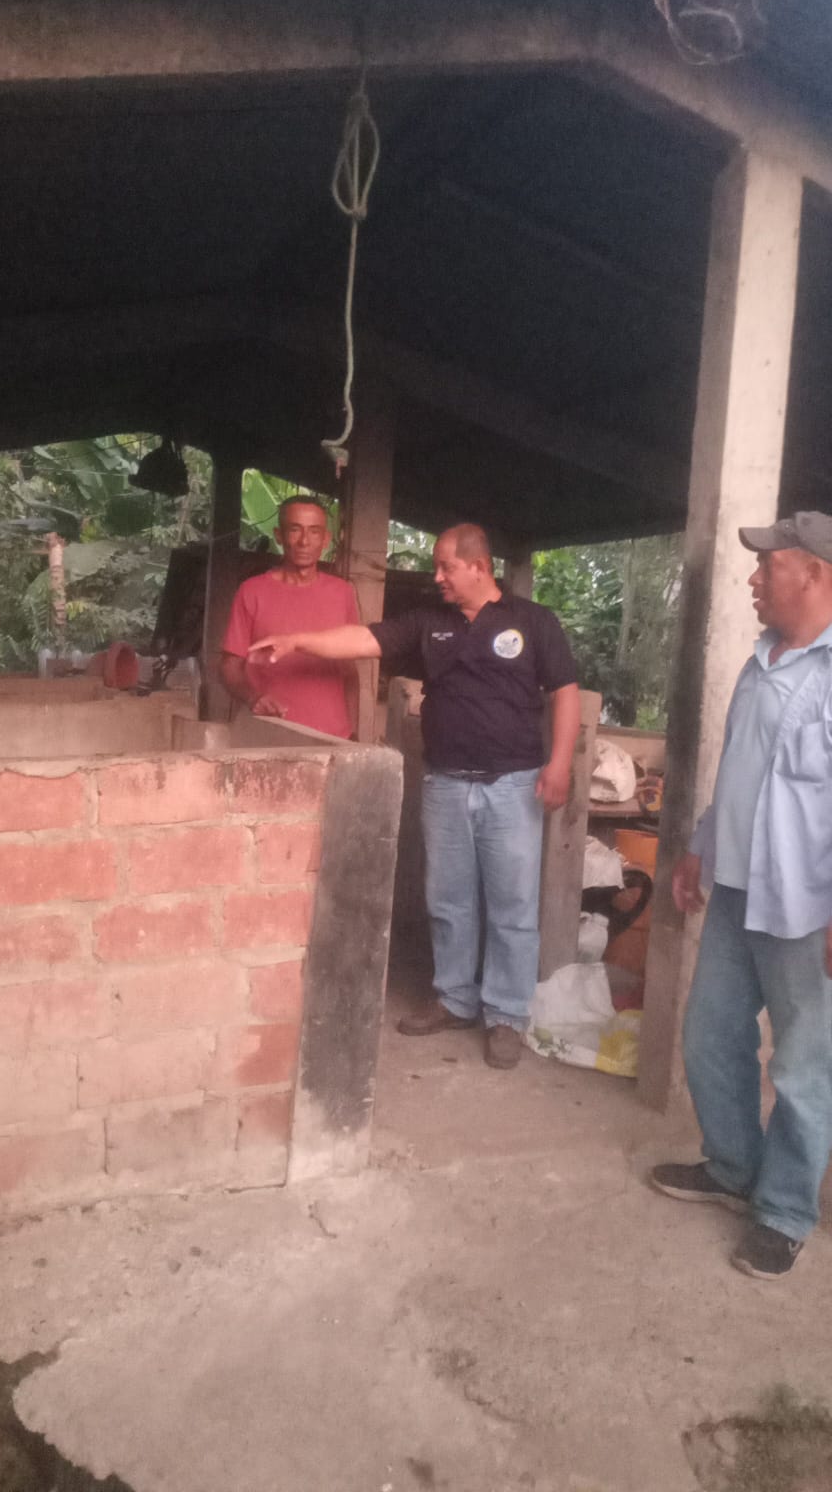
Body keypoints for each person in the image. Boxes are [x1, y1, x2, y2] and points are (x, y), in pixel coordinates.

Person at [251, 522, 581, 1071]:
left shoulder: (533, 621)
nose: (437, 577)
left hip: (512, 785)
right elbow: (364, 639)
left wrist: (561, 762)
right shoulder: (430, 622)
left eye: (446, 567)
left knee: (513, 906)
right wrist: (297, 640)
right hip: (445, 783)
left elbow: (565, 691)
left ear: (479, 566)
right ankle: (455, 998)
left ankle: (505, 1015)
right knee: (448, 900)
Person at [652, 510, 832, 1281]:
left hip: (806, 907)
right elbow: (737, 769)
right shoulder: (758, 662)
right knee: (710, 1034)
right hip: (733, 889)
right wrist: (699, 846)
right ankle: (732, 1167)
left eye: (769, 566)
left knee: (802, 1067)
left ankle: (785, 1211)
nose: (753, 580)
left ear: (815, 573)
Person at [220, 495, 359, 737]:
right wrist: (254, 698)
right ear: (279, 535)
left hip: (332, 738)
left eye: (314, 532)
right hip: (269, 734)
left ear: (326, 539)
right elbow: (229, 666)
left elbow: (349, 671)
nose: (304, 541)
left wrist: (353, 734)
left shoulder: (343, 593)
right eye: (295, 530)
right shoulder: (252, 591)